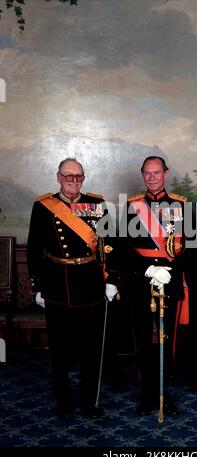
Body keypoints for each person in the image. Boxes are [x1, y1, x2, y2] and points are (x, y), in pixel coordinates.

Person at [27, 158, 119, 420]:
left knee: (92, 350)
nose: (74, 181)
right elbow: (34, 248)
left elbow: (109, 243)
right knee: (59, 351)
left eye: (78, 177)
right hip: (57, 286)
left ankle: (90, 402)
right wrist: (38, 286)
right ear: (58, 177)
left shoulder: (97, 204)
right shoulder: (43, 206)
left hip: (90, 284)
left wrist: (111, 279)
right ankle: (64, 403)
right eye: (69, 176)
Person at [121, 155, 197, 416]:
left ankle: (165, 393)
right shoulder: (131, 207)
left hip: (171, 280)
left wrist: (170, 269)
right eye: (147, 173)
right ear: (142, 175)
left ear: (166, 173)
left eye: (157, 172)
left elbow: (193, 248)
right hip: (141, 281)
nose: (152, 177)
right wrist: (148, 269)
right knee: (141, 339)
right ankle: (146, 394)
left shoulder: (182, 206)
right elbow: (122, 249)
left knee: (168, 341)